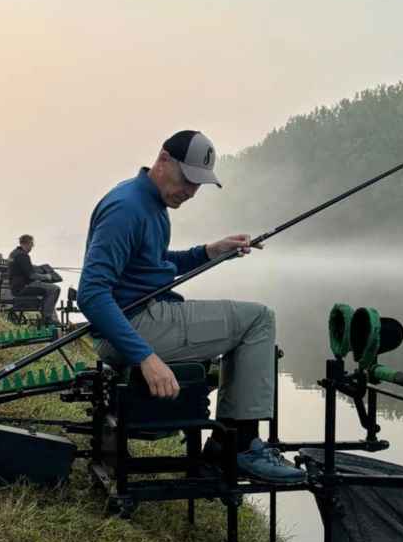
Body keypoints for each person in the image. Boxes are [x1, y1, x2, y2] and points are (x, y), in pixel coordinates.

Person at [77, 130, 305, 485]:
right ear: (163, 160)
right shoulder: (127, 208)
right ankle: (240, 444)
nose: (191, 192)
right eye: (187, 180)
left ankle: (226, 441)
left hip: (137, 319)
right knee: (257, 319)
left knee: (246, 321)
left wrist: (207, 252)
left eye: (198, 185)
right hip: (134, 325)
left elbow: (151, 262)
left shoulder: (147, 201)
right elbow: (91, 294)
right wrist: (146, 358)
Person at [7, 235, 61, 326]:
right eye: (32, 244)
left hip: (14, 286)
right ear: (28, 244)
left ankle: (45, 313)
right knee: (54, 289)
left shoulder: (13, 253)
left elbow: (23, 270)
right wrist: (46, 277)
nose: (32, 247)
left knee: (44, 287)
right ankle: (47, 318)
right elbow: (32, 275)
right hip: (23, 287)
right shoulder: (23, 256)